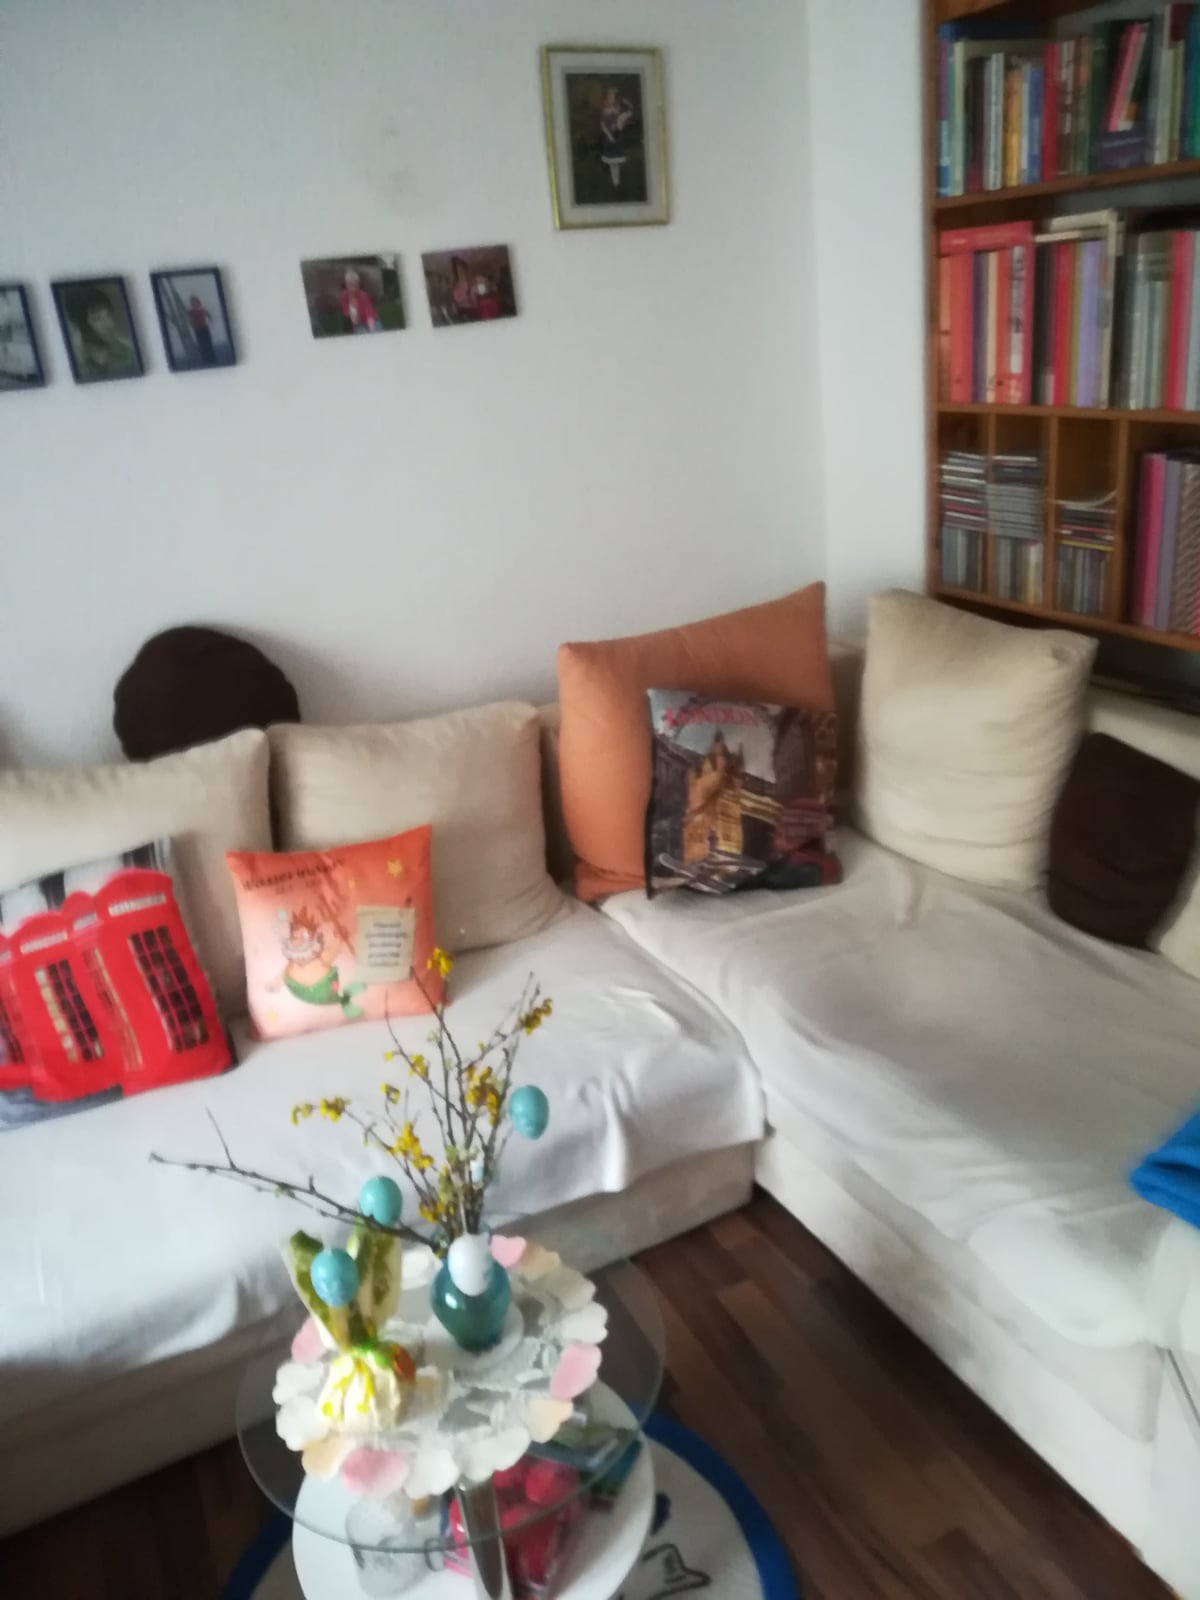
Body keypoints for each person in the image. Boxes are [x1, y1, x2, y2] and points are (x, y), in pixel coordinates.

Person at [67, 286, 136, 378]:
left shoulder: (128, 349)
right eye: (97, 319)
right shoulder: (75, 360)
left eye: (108, 315)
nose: (109, 323)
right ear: (82, 326)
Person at [599, 86, 637, 189]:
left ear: (615, 98)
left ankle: (617, 182)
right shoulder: (604, 110)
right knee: (612, 162)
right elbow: (602, 125)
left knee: (617, 162)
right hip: (609, 137)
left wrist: (628, 104)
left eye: (613, 96)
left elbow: (627, 115)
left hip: (617, 136)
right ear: (607, 97)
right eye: (610, 96)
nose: (612, 98)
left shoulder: (618, 108)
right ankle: (614, 181)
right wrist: (609, 135)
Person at [339, 268, 379, 333]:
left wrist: (372, 329)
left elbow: (369, 314)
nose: (353, 289)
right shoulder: (343, 296)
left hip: (372, 321)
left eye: (355, 285)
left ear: (358, 284)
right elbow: (347, 313)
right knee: (362, 334)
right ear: (346, 285)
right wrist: (352, 307)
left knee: (377, 333)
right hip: (358, 324)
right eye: (350, 285)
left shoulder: (364, 296)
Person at [186, 295, 215, 364]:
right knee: (202, 345)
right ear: (192, 303)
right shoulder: (190, 311)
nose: (195, 303)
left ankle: (212, 358)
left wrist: (210, 320)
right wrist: (193, 326)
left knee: (208, 343)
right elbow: (190, 320)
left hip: (204, 328)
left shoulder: (202, 310)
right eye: (193, 302)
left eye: (196, 301)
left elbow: (208, 315)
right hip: (198, 330)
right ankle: (206, 359)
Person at [449, 257, 478, 322]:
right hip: (461, 312)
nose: (459, 271)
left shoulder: (471, 282)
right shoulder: (455, 284)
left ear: (465, 269)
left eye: (461, 269)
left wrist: (470, 296)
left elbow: (475, 299)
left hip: (472, 311)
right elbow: (455, 300)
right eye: (457, 269)